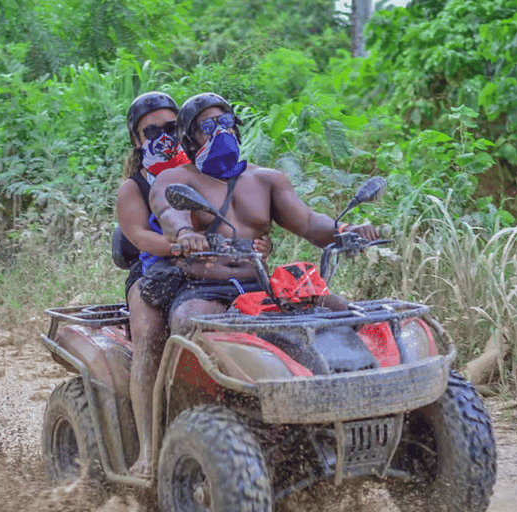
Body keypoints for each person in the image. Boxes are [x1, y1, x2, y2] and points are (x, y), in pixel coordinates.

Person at [115, 91, 271, 478]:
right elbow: (137, 236)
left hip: (207, 270)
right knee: (150, 335)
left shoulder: (202, 169)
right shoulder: (133, 186)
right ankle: (149, 451)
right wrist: (179, 242)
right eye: (152, 131)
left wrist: (254, 244)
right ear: (137, 139)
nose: (162, 136)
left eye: (171, 128)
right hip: (154, 269)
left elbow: (236, 217)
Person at [149, 92, 379, 336]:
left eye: (225, 122)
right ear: (190, 139)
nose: (221, 132)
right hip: (204, 287)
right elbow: (169, 211)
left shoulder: (266, 179)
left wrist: (346, 230)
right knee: (189, 323)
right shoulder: (175, 178)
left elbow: (309, 223)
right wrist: (185, 233)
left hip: (261, 285)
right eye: (208, 126)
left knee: (347, 313)